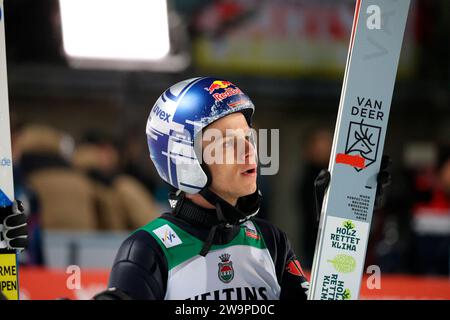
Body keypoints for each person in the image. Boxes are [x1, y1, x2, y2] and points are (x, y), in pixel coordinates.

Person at [99, 77, 389, 300]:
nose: (249, 152)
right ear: (184, 159)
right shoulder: (149, 249)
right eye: (227, 144)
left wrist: (345, 222)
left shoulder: (270, 240)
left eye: (248, 138)